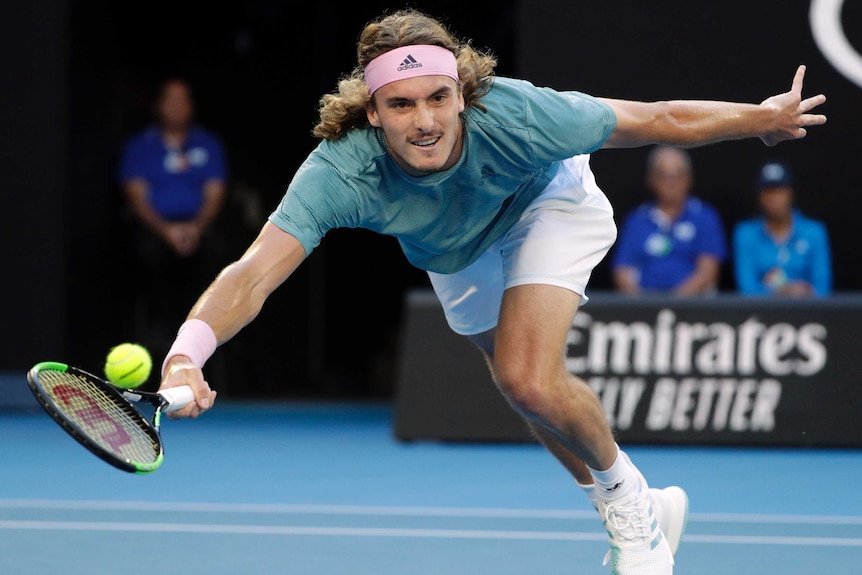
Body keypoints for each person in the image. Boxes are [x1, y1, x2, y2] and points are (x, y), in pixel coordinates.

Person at [156, 9, 826, 574]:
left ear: (460, 93)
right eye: (401, 104)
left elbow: (657, 119)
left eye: (437, 98)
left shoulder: (517, 115)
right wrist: (189, 351)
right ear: (371, 108)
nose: (424, 120)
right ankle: (637, 504)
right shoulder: (342, 169)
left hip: (547, 205)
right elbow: (252, 272)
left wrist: (756, 117)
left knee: (527, 376)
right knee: (517, 387)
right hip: (456, 252)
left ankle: (634, 513)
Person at [117, 77, 229, 359]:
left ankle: (207, 326)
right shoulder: (140, 146)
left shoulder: (208, 144)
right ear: (158, 106)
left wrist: (195, 228)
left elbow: (215, 194)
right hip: (155, 228)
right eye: (171, 100)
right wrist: (166, 230)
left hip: (198, 229)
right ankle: (161, 324)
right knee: (147, 254)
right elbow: (136, 198)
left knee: (220, 255)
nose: (177, 107)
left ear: (191, 107)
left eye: (183, 101)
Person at [611, 146, 728, 295]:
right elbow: (622, 270)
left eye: (678, 175)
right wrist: (643, 306)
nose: (671, 183)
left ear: (689, 178)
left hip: (693, 308)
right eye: (663, 176)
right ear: (651, 179)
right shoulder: (637, 219)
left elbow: (708, 271)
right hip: (643, 307)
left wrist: (672, 304)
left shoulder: (705, 216)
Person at [733, 160, 832, 296]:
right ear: (760, 196)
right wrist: (781, 292)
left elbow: (823, 288)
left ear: (790, 193)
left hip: (808, 313)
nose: (774, 198)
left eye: (780, 190)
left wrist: (803, 291)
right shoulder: (745, 233)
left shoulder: (814, 232)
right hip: (762, 315)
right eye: (768, 191)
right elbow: (747, 290)